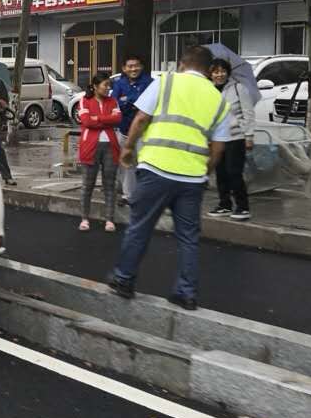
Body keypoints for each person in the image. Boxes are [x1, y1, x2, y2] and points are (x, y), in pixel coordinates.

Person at [108, 46, 231, 310]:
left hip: (155, 170)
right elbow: (219, 148)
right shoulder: (219, 100)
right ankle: (186, 293)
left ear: (181, 64)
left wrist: (128, 149)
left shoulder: (166, 82)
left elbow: (141, 119)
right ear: (209, 70)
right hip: (192, 179)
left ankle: (124, 280)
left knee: (140, 227)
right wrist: (203, 171)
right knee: (188, 237)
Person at [208, 58, 254, 221]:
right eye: (215, 71)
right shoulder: (208, 90)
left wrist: (249, 136)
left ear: (228, 72)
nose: (219, 75)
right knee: (220, 173)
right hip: (217, 139)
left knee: (234, 172)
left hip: (236, 137)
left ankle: (242, 207)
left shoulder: (238, 88)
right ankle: (224, 205)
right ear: (210, 73)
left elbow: (248, 113)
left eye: (222, 71)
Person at [77, 72, 122, 232]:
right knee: (87, 185)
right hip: (90, 147)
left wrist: (98, 118)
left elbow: (117, 119)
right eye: (105, 85)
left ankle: (109, 220)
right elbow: (86, 121)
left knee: (110, 184)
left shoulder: (113, 101)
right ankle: (84, 218)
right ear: (95, 87)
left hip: (111, 146)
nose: (108, 89)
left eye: (110, 85)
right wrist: (105, 119)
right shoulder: (84, 100)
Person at [110, 54, 154, 206]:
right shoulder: (119, 83)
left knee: (144, 164)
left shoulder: (149, 82)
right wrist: (132, 101)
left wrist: (127, 101)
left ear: (141, 67)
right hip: (124, 130)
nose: (133, 69)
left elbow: (148, 105)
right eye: (130, 66)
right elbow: (115, 103)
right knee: (126, 164)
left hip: (144, 132)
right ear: (124, 68)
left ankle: (145, 195)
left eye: (136, 65)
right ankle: (128, 196)